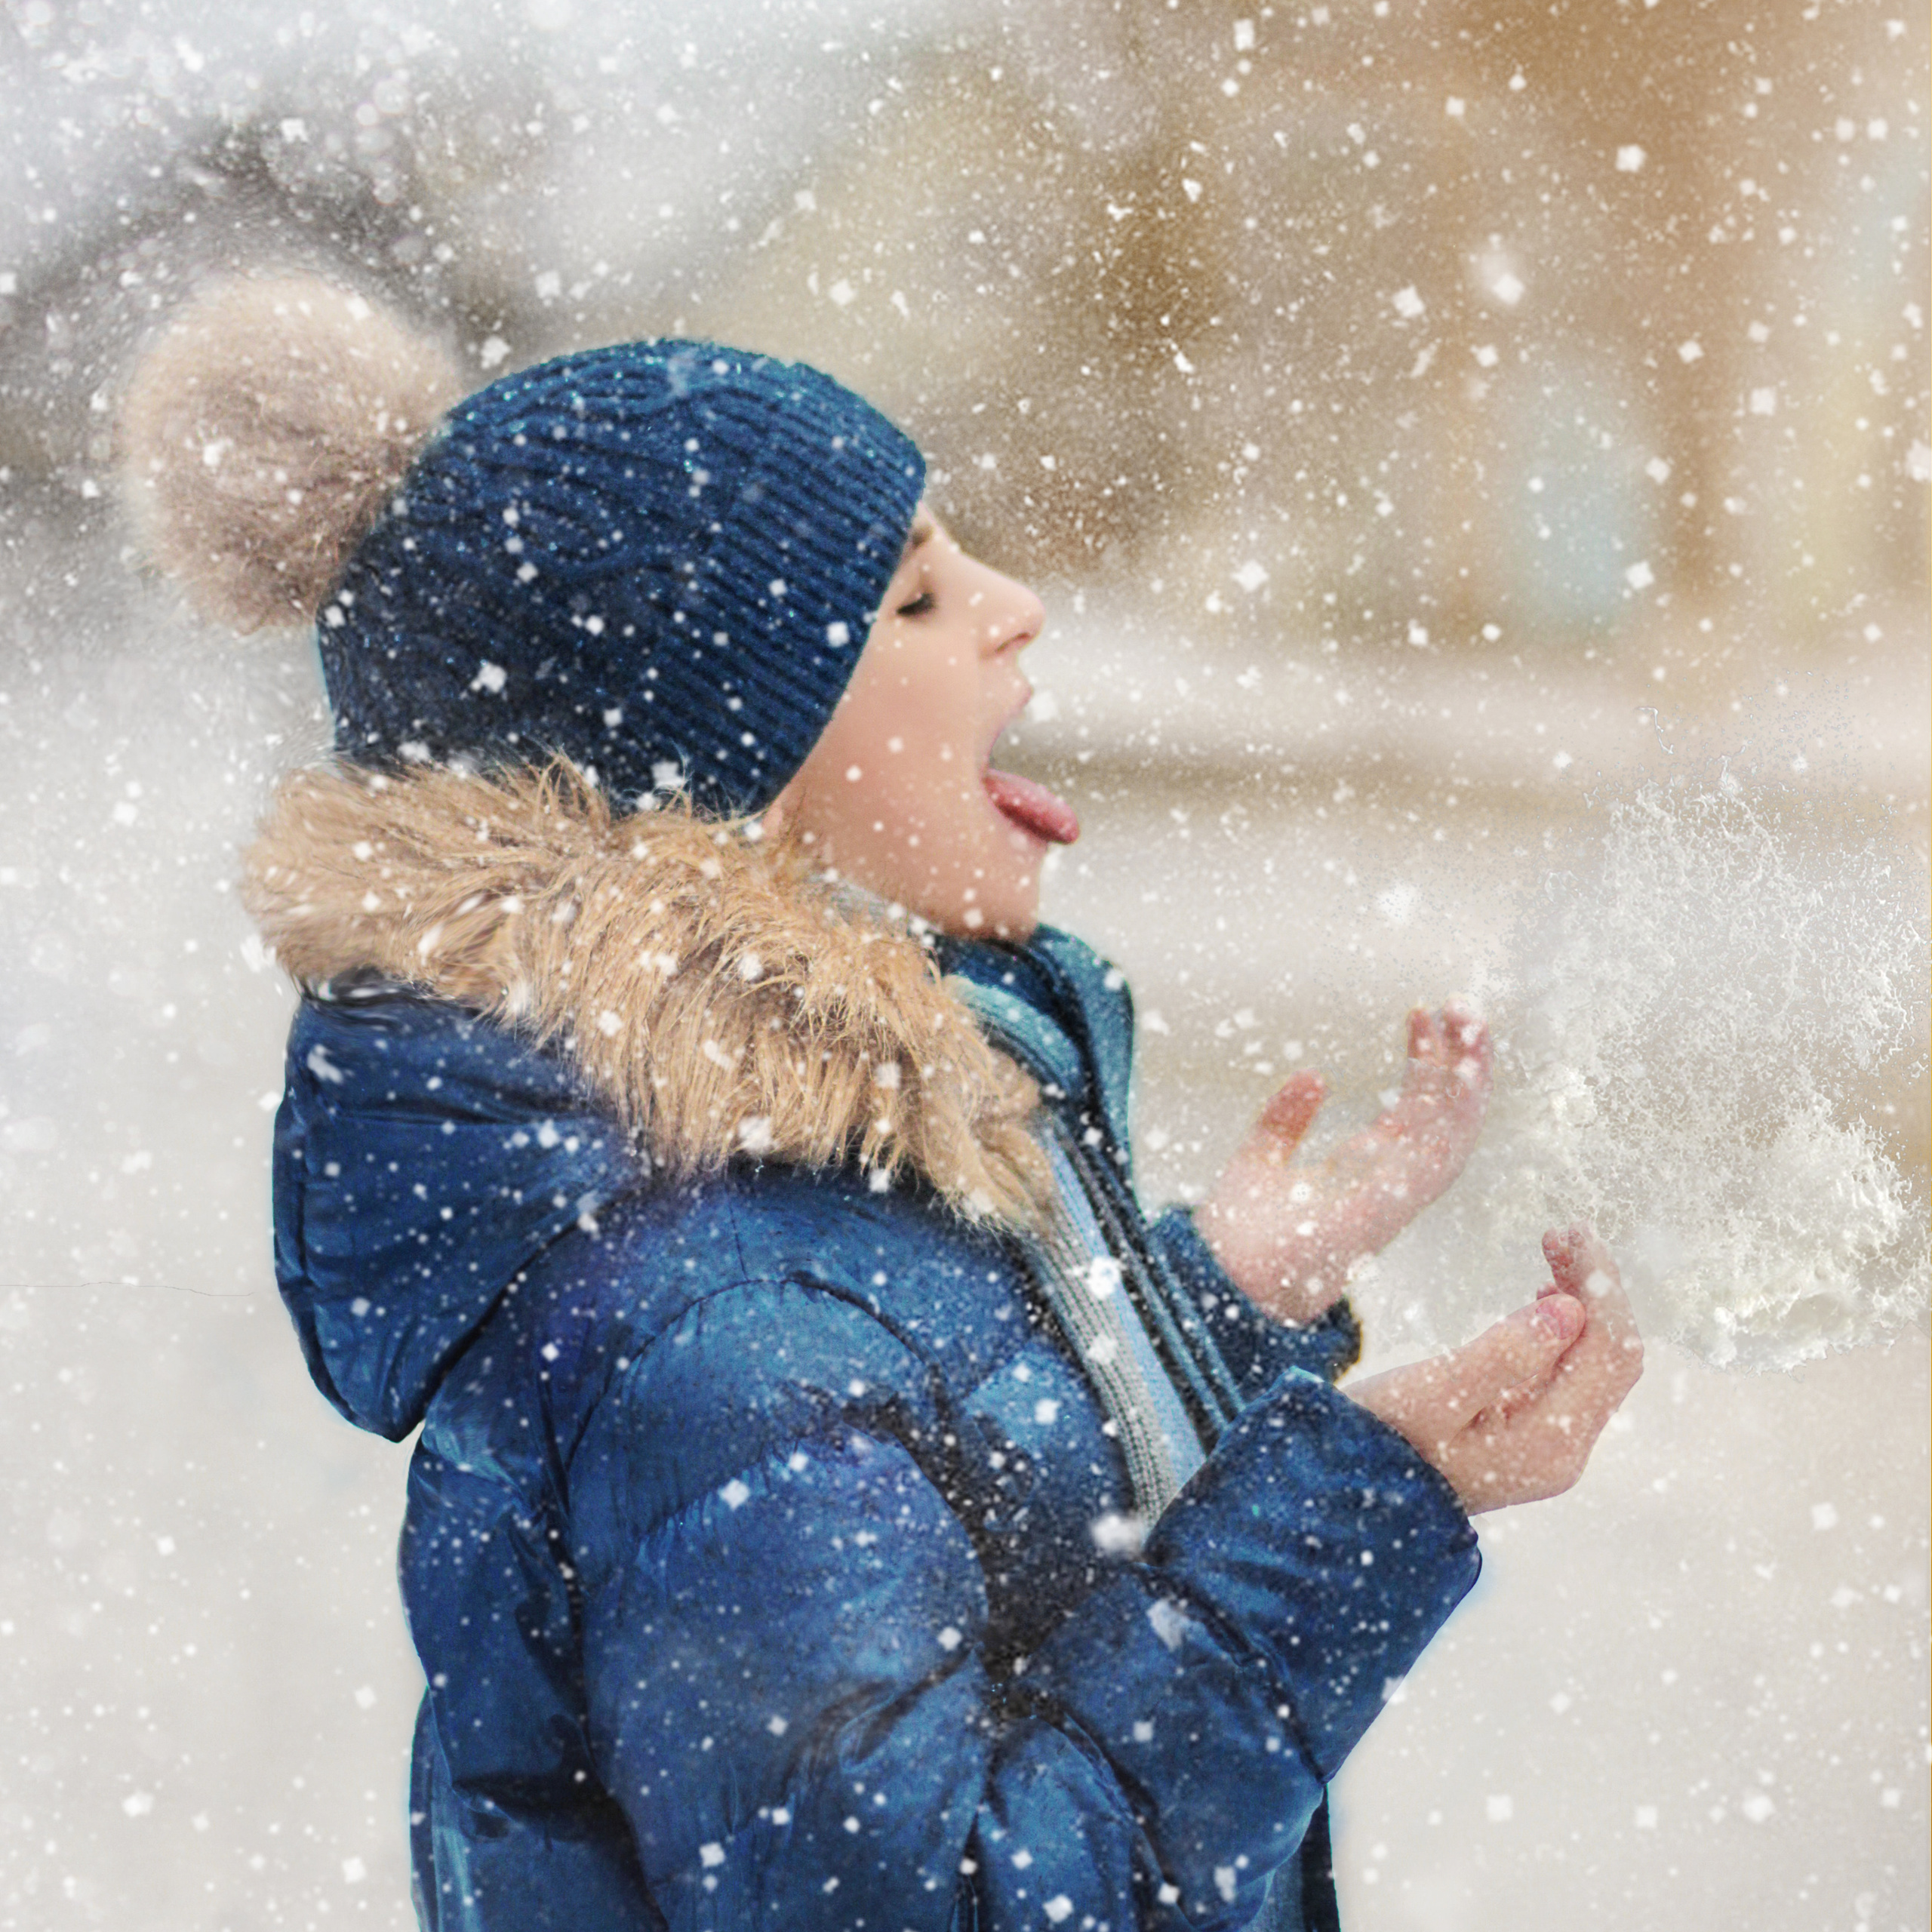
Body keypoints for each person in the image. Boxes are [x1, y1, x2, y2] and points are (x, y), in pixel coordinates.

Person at [122, 275, 1642, 1931]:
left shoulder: (796, 1199)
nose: (1016, 607)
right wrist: (1355, 1506)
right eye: (915, 599)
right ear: (723, 806)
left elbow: (981, 1529)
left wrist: (1199, 1305)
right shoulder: (716, 1320)